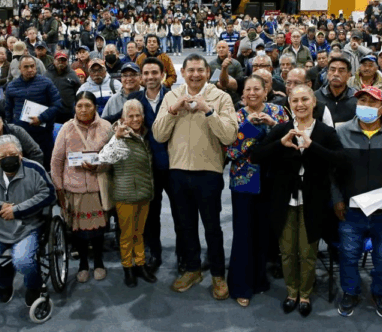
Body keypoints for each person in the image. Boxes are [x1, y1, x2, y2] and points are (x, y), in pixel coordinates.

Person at [250, 85, 346, 317]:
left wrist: (313, 146)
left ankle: (305, 294)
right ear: (289, 104)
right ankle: (291, 292)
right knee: (287, 251)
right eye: (295, 101)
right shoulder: (282, 129)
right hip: (284, 199)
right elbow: (255, 156)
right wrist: (279, 144)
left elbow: (341, 160)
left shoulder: (325, 131)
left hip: (313, 200)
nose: (300, 105)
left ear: (314, 102)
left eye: (304, 99)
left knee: (307, 252)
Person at [152, 54, 237, 299]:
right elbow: (158, 135)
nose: (195, 74)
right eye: (191, 70)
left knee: (212, 227)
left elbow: (229, 136)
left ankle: (218, 274)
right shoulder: (171, 96)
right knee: (185, 226)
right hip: (178, 172)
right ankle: (192, 269)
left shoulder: (221, 98)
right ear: (183, 73)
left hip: (209, 172)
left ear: (208, 72)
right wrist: (173, 110)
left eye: (200, 70)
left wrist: (208, 110)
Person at [334, 87, 382, 318]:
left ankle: (381, 293)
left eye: (372, 102)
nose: (366, 106)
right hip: (351, 211)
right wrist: (337, 199)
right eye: (362, 101)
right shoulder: (341, 132)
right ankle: (350, 291)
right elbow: (331, 171)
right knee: (348, 254)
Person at [0, 134, 55, 307]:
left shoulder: (35, 169)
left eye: (12, 154)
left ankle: (33, 285)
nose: (8, 159)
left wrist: (17, 210)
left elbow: (49, 194)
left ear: (20, 154)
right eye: (3, 156)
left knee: (23, 261)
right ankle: (5, 280)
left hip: (28, 227)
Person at [226, 75, 288, 307]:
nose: (252, 93)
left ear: (266, 91)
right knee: (244, 233)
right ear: (242, 94)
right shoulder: (236, 116)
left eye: (257, 89)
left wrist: (273, 125)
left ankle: (259, 279)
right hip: (244, 181)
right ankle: (240, 286)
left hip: (273, 180)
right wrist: (249, 128)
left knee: (264, 233)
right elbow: (231, 152)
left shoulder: (278, 112)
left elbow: (289, 141)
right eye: (248, 89)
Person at [51, 91, 113, 283]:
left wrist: (99, 166)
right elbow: (56, 160)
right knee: (78, 231)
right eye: (80, 106)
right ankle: (83, 264)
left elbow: (113, 157)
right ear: (74, 108)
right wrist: (59, 188)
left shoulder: (106, 127)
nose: (83, 109)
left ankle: (99, 262)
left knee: (98, 230)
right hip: (74, 188)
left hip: (97, 188)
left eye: (88, 105)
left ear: (95, 107)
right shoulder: (67, 128)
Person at [121, 57, 175, 272]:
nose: (150, 77)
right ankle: (154, 253)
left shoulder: (173, 97)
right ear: (141, 77)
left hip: (173, 165)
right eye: (146, 73)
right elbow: (121, 119)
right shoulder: (134, 98)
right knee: (151, 214)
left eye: (154, 73)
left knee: (181, 213)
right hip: (147, 167)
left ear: (162, 75)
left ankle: (185, 254)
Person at [98, 100, 158, 287]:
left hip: (144, 193)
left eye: (138, 115)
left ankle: (140, 264)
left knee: (139, 233)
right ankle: (128, 268)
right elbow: (104, 158)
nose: (135, 119)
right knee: (126, 235)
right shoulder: (118, 136)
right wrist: (116, 138)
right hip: (125, 194)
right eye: (130, 116)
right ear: (123, 118)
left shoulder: (146, 135)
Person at [4, 56, 64, 170]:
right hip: (21, 136)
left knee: (45, 167)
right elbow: (8, 110)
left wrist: (41, 118)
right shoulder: (11, 86)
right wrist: (12, 128)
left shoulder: (46, 83)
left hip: (43, 134)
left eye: (32, 66)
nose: (30, 69)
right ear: (20, 69)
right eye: (26, 67)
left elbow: (58, 104)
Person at [315, 57, 358, 125]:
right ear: (327, 73)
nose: (336, 74)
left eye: (341, 71)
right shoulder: (316, 97)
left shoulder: (356, 98)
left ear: (349, 75)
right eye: (332, 70)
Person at [46, 51, 81, 124]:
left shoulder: (72, 74)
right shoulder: (47, 74)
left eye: (63, 60)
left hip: (68, 113)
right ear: (54, 61)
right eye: (59, 60)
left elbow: (78, 92)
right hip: (51, 112)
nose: (61, 62)